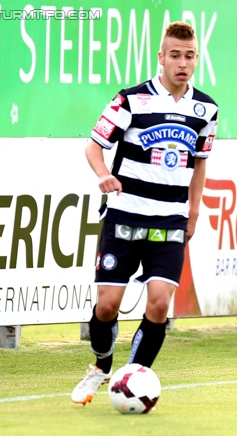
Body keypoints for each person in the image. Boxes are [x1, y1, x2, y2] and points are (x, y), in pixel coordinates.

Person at [71, 21, 219, 405]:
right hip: (124, 215)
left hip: (170, 219)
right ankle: (102, 365)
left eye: (189, 56)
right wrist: (104, 176)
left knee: (158, 303)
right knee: (107, 306)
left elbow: (200, 162)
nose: (182, 64)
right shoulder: (130, 100)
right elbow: (93, 147)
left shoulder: (206, 109)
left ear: (196, 59)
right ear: (161, 58)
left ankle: (129, 379)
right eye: (174, 55)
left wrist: (195, 210)